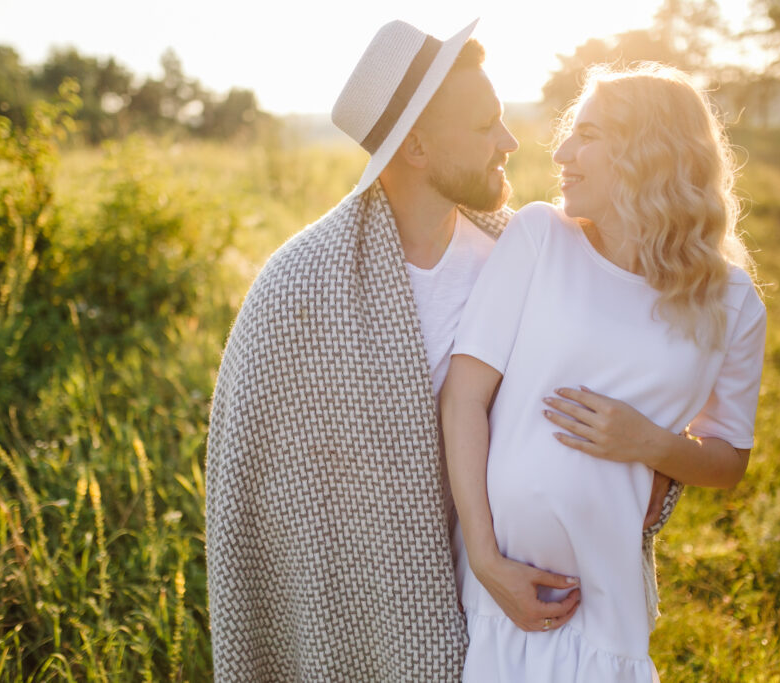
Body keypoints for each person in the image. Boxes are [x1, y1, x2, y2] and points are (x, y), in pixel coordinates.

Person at [206, 20, 679, 681]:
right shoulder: (300, 288)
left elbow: (630, 376)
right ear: (419, 147)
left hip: (535, 619)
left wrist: (659, 466)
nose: (510, 142)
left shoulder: (530, 257)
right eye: (487, 125)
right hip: (373, 612)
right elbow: (263, 503)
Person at [441, 63, 767, 682]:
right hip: (494, 593)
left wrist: (649, 445)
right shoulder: (540, 238)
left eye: (587, 135)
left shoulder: (732, 302)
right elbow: (463, 399)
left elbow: (728, 462)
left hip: (601, 606)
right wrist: (484, 558)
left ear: (651, 152)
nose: (561, 152)